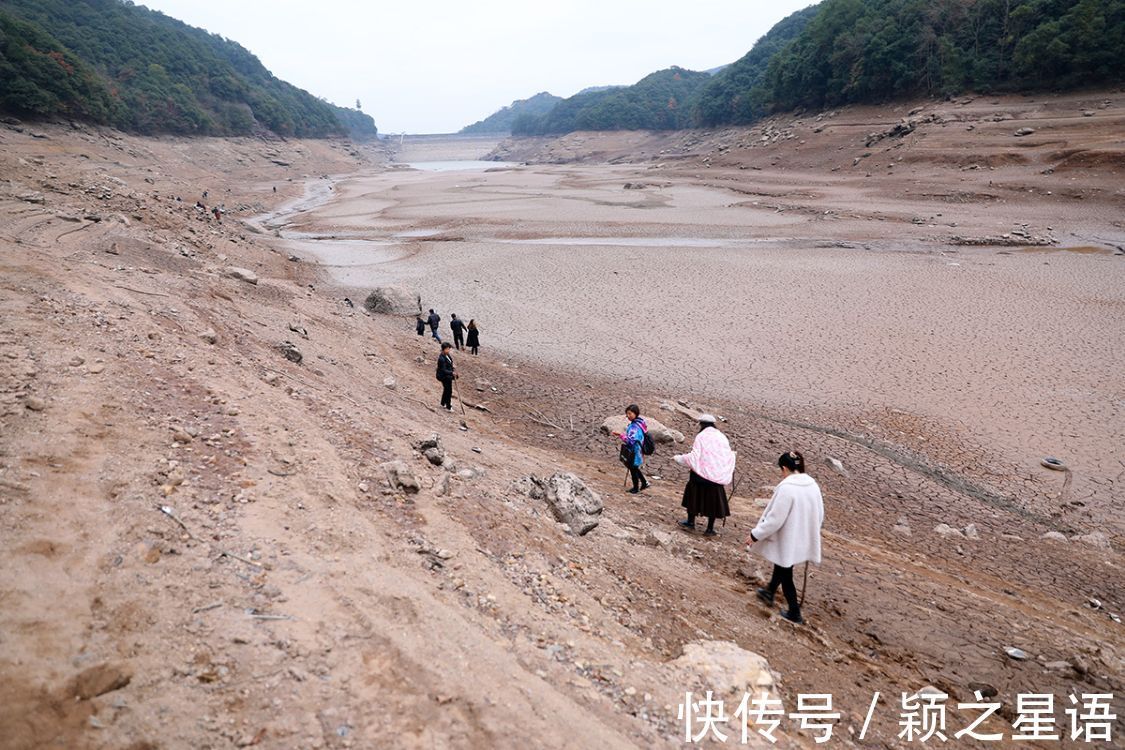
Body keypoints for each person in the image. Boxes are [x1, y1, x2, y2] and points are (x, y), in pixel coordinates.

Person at [745, 450, 824, 625]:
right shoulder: (812, 484)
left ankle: (794, 612)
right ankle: (770, 592)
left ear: (784, 467)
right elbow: (820, 514)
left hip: (788, 537)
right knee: (782, 565)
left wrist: (755, 535)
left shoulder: (787, 488)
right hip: (802, 537)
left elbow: (775, 519)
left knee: (785, 572)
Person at [674, 415, 735, 536]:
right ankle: (709, 528)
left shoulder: (701, 436)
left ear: (702, 424)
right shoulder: (722, 437)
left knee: (693, 496)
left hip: (699, 475)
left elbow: (695, 456)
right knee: (712, 501)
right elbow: (727, 455)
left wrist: (680, 459)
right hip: (716, 476)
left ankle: (691, 522)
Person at [612, 404, 649, 494]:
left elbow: (630, 441)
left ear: (635, 413)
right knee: (635, 467)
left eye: (630, 414)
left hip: (635, 450)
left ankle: (635, 488)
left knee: (633, 468)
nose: (628, 416)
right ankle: (644, 483)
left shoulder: (634, 426)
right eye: (627, 414)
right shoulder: (640, 422)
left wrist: (620, 435)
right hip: (639, 449)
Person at [435, 342, 456, 411]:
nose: (449, 350)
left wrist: (452, 366)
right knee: (448, 391)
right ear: (444, 349)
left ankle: (443, 403)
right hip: (443, 376)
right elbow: (443, 370)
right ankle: (448, 406)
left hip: (448, 375)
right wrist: (452, 372)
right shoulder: (441, 358)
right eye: (447, 349)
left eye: (449, 349)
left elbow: (450, 363)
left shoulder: (447, 355)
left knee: (446, 390)